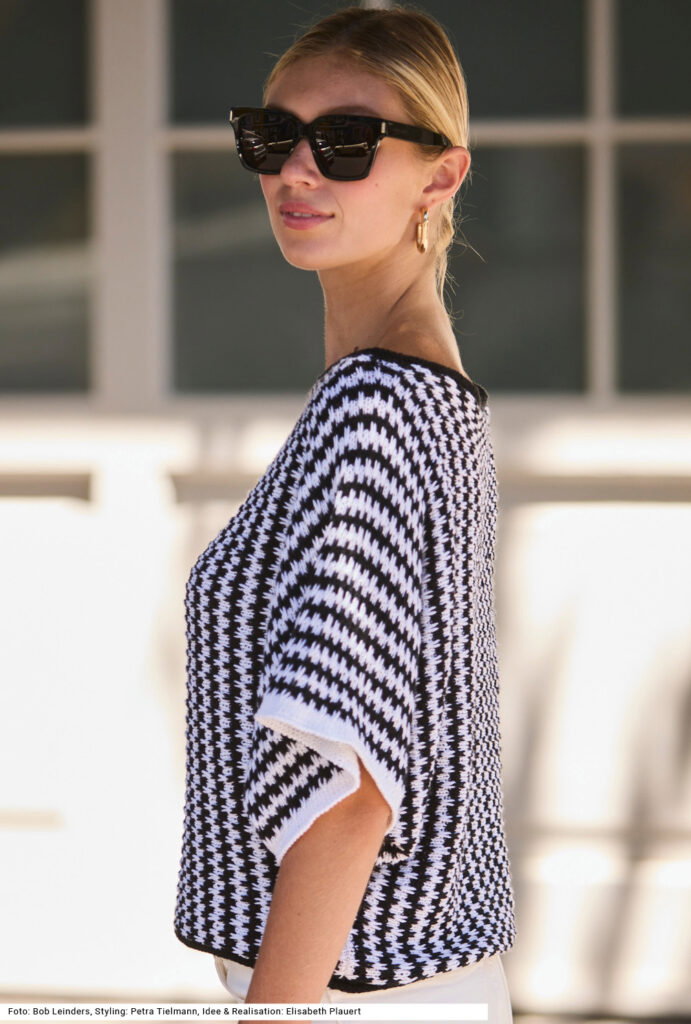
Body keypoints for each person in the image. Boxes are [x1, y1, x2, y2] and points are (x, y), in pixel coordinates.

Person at [174, 4, 517, 1021]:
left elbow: (349, 792)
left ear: (440, 176)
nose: (296, 170)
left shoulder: (380, 407)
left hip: (352, 992)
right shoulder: (417, 395)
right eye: (272, 136)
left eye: (347, 141)